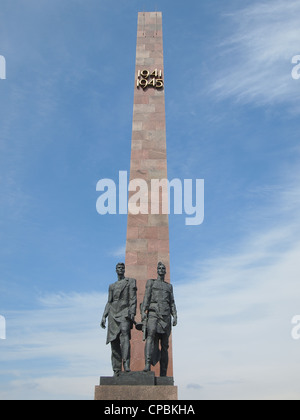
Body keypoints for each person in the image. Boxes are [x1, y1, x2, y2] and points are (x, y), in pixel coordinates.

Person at [141, 262, 177, 376]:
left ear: (165, 271)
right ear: (157, 270)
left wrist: (175, 315)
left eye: (163, 268)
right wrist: (143, 312)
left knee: (165, 345)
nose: (161, 270)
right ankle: (147, 364)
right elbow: (146, 297)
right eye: (159, 268)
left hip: (166, 316)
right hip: (153, 314)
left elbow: (172, 302)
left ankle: (163, 372)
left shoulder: (169, 286)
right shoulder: (151, 283)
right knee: (150, 337)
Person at [101, 263, 137, 375]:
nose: (120, 269)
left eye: (122, 268)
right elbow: (109, 302)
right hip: (113, 313)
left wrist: (132, 313)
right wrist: (104, 316)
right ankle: (116, 369)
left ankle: (126, 364)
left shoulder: (130, 282)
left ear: (124, 269)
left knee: (125, 336)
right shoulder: (112, 286)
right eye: (118, 268)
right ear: (116, 270)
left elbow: (133, 299)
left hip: (124, 312)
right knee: (114, 341)